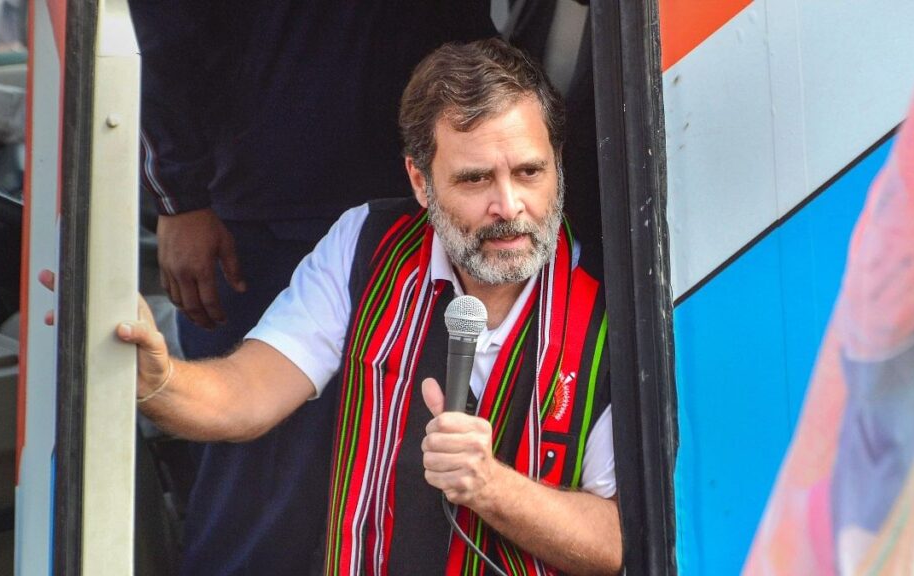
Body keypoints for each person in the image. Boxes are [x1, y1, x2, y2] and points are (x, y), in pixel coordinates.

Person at [119, 38, 621, 574]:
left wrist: (491, 486)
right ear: (420, 182)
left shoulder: (613, 307)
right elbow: (245, 395)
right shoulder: (367, 242)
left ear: (557, 166)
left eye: (529, 172)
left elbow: (617, 541)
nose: (509, 206)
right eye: (475, 179)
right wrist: (154, 380)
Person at [125, 2, 496, 573]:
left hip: (436, 203)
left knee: (394, 472)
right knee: (260, 491)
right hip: (265, 211)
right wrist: (181, 197)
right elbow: (160, 34)